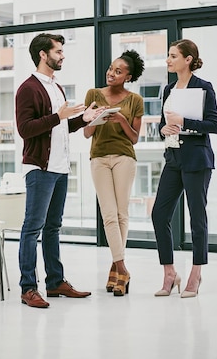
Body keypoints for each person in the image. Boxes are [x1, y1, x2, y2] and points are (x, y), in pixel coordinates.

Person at [15, 33, 105, 308]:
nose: (63, 55)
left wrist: (83, 120)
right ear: (43, 54)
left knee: (53, 228)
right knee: (33, 229)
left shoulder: (56, 87)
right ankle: (28, 288)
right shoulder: (28, 88)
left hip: (60, 168)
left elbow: (59, 126)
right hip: (40, 169)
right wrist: (59, 116)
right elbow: (25, 129)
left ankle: (55, 282)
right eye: (58, 51)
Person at [151, 39, 217, 298]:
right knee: (159, 214)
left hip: (197, 160)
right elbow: (161, 126)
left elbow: (214, 125)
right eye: (168, 56)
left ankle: (196, 272)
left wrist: (185, 121)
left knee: (197, 217)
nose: (168, 60)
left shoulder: (204, 87)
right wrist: (163, 129)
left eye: (172, 56)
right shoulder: (169, 88)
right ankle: (170, 273)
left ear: (188, 59)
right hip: (173, 158)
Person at [83, 50, 145, 296]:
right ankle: (122, 268)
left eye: (118, 71)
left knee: (121, 214)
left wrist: (120, 119)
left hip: (123, 157)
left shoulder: (135, 100)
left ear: (127, 76)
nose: (111, 73)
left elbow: (135, 138)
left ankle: (115, 269)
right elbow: (87, 133)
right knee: (108, 214)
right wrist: (95, 119)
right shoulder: (94, 94)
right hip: (98, 157)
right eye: (111, 69)